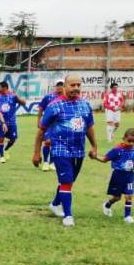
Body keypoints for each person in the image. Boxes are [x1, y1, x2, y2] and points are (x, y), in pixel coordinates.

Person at [32, 74, 99, 227]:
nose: (76, 88)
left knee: (68, 181)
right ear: (64, 87)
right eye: (72, 85)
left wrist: (94, 146)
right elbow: (41, 131)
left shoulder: (85, 105)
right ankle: (68, 215)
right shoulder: (54, 106)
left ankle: (55, 203)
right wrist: (36, 153)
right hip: (60, 149)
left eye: (78, 85)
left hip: (78, 150)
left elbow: (89, 127)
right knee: (67, 181)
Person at [93, 127, 134, 224]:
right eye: (129, 141)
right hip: (118, 176)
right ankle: (107, 205)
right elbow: (105, 159)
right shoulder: (117, 150)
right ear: (124, 138)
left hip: (130, 176)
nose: (131, 143)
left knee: (129, 196)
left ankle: (127, 216)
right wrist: (95, 157)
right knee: (117, 197)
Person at [0, 81, 26, 163]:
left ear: (5, 88)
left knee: (13, 139)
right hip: (0, 122)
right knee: (0, 139)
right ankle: (2, 156)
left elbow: (23, 103)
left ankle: (6, 149)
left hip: (12, 122)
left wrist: (17, 97)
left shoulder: (13, 96)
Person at [37, 79, 65, 171]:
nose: (60, 87)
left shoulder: (66, 98)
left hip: (60, 124)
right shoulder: (48, 97)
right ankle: (45, 162)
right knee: (48, 142)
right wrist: (39, 120)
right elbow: (41, 108)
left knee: (55, 143)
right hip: (49, 124)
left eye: (62, 85)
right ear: (55, 86)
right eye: (58, 85)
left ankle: (52, 162)